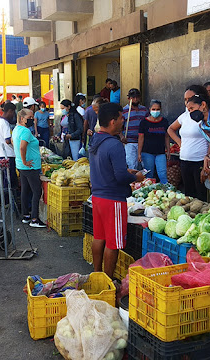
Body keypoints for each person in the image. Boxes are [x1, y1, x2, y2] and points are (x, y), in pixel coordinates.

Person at [89, 102, 145, 280]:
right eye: (121, 118)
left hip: (97, 197)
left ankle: (97, 275)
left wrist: (125, 172)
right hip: (113, 199)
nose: (123, 121)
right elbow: (120, 176)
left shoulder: (96, 141)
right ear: (113, 121)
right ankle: (107, 281)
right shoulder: (114, 144)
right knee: (113, 243)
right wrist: (136, 177)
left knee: (99, 237)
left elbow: (107, 168)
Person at [167, 85, 210, 199]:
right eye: (185, 100)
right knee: (188, 196)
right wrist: (180, 142)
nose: (187, 103)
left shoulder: (204, 117)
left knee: (201, 195)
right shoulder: (184, 116)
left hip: (200, 161)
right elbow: (170, 129)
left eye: (190, 99)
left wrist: (208, 157)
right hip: (185, 160)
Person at [13, 109, 46, 228]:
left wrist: (22, 160)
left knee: (25, 190)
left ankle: (26, 215)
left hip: (22, 166)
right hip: (29, 166)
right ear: (22, 118)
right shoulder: (26, 131)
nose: (32, 119)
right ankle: (34, 219)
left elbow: (14, 143)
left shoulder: (17, 129)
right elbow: (22, 147)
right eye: (30, 117)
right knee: (37, 191)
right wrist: (25, 161)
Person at [138, 100, 170, 184]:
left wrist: (168, 150)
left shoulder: (164, 122)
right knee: (149, 175)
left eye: (158, 109)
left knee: (162, 173)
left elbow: (167, 137)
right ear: (149, 109)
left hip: (160, 152)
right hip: (147, 152)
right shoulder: (144, 122)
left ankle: (165, 191)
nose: (155, 111)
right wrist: (139, 153)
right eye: (154, 109)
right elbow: (141, 138)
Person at [0, 102, 19, 190]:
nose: (13, 115)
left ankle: (4, 200)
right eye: (13, 113)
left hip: (1, 154)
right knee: (9, 179)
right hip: (8, 155)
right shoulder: (5, 123)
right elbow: (8, 140)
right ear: (10, 111)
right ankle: (8, 200)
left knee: (4, 178)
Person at [122, 88, 149, 170]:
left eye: (137, 97)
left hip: (143, 142)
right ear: (129, 99)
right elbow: (119, 127)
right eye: (133, 98)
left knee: (145, 166)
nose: (135, 99)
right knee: (132, 166)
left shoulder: (144, 110)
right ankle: (133, 182)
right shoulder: (124, 111)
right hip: (129, 142)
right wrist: (121, 136)